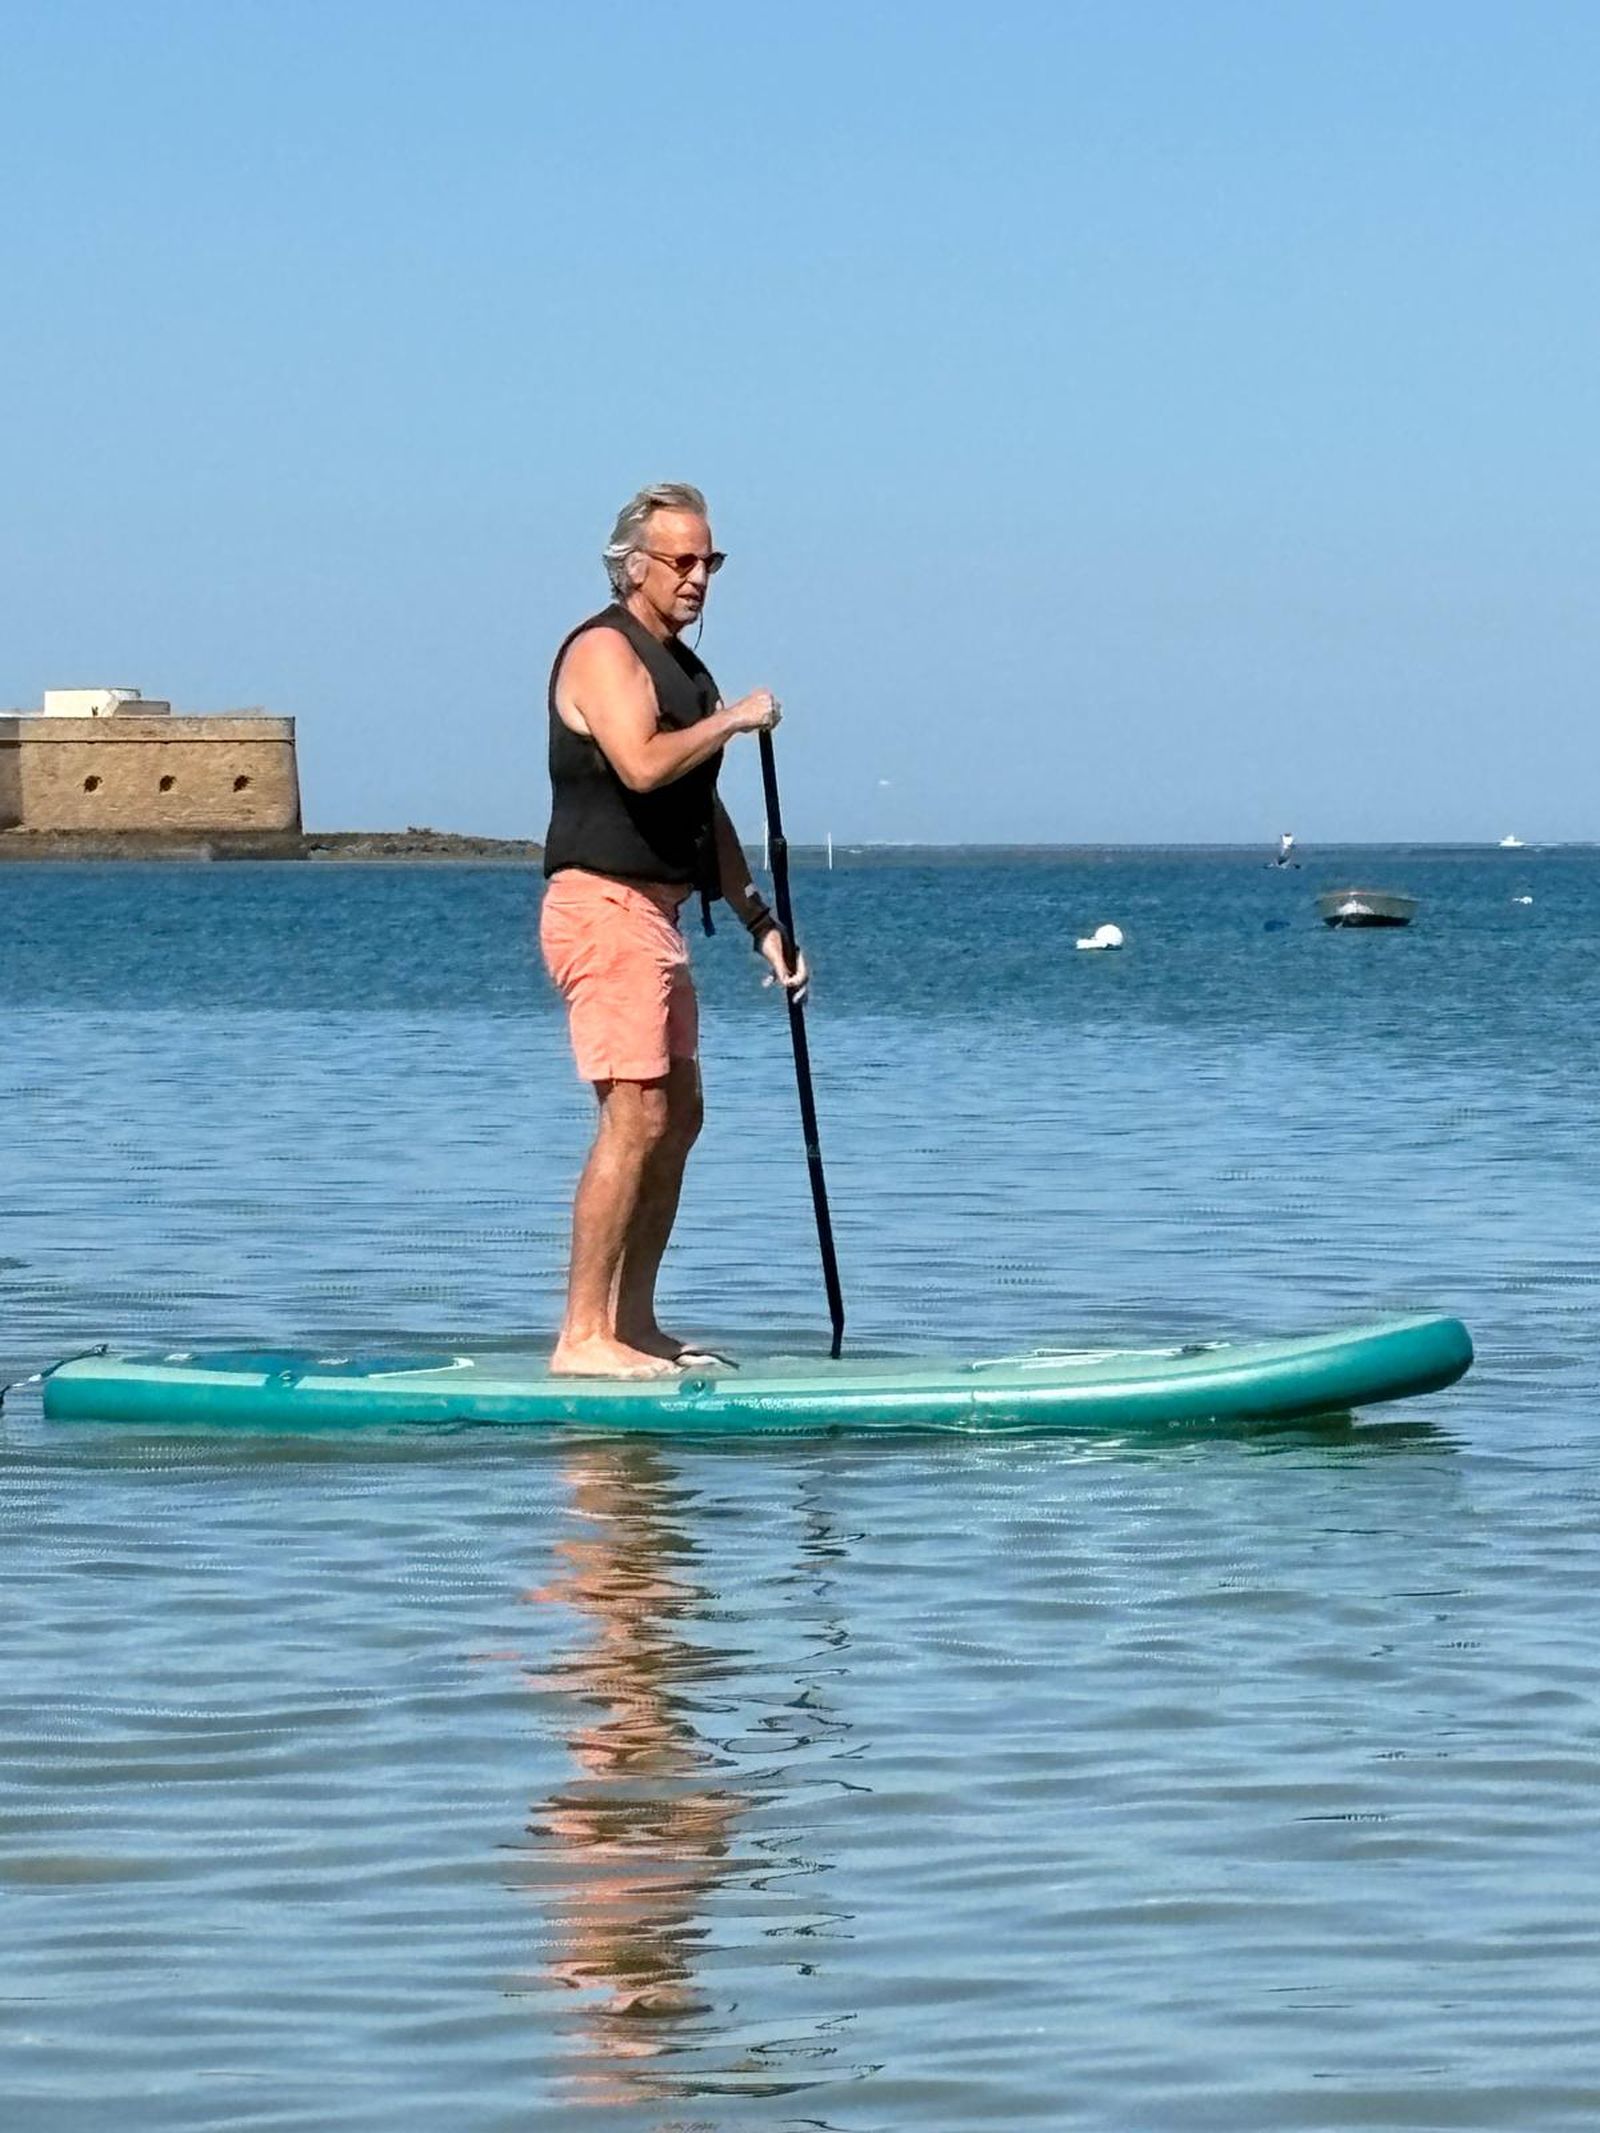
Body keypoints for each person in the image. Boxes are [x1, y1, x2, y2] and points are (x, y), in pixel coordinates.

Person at [540, 482, 808, 1378]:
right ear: (634, 565)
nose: (699, 579)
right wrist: (734, 720)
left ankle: (636, 1321)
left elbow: (704, 811)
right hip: (600, 907)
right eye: (682, 562)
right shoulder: (603, 652)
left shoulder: (687, 671)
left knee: (679, 1114)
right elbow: (645, 765)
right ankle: (582, 1337)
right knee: (634, 1112)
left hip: (658, 914)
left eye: (710, 562)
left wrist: (760, 920)